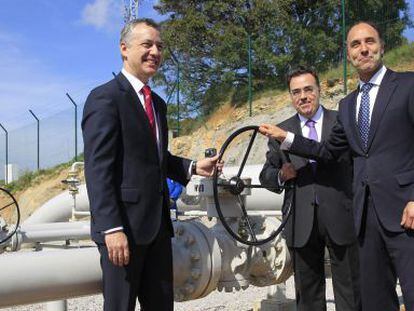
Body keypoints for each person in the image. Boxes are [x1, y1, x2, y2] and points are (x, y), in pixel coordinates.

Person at [259, 21, 414, 311]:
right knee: (375, 299)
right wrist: (286, 146)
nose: (363, 49)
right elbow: (326, 151)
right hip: (343, 223)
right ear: (348, 53)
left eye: (369, 41)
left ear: (382, 46)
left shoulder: (406, 87)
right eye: (355, 44)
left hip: (389, 215)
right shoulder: (348, 105)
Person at [82, 18, 221, 311]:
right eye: (147, 44)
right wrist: (111, 229)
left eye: (159, 45)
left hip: (157, 228)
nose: (155, 51)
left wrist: (195, 166)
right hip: (123, 233)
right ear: (124, 48)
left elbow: (156, 159)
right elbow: (98, 170)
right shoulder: (105, 98)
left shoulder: (157, 103)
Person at [259, 66, 360, 311]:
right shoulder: (279, 131)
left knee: (350, 290)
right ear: (290, 96)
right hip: (300, 220)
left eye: (308, 89)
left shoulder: (342, 121)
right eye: (296, 92)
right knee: (308, 294)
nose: (302, 96)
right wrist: (281, 175)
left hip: (341, 216)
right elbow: (266, 175)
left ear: (319, 90)